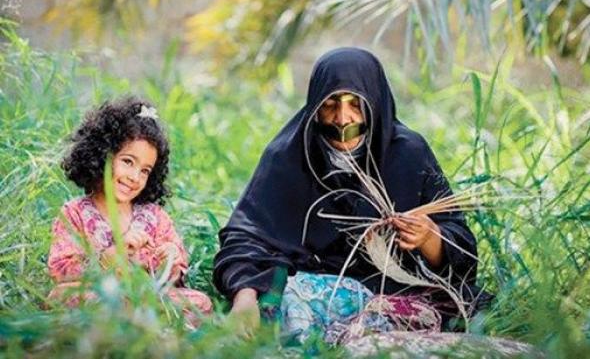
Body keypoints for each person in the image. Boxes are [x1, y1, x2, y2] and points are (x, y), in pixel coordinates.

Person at [214, 47, 490, 342]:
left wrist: (429, 238)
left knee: (468, 306)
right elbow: (245, 239)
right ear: (314, 105)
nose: (342, 119)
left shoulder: (408, 154)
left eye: (355, 104)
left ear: (375, 101)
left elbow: (461, 248)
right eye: (330, 104)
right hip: (309, 286)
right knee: (282, 301)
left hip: (395, 288)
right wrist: (245, 299)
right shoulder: (288, 157)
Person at [47, 97, 212, 327]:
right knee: (63, 297)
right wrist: (109, 257)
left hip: (147, 298)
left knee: (199, 302)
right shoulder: (74, 213)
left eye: (145, 171)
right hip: (100, 296)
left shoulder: (155, 217)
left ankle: (142, 329)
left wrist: (170, 258)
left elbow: (175, 274)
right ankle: (133, 329)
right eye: (127, 161)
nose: (135, 177)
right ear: (101, 155)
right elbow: (61, 271)